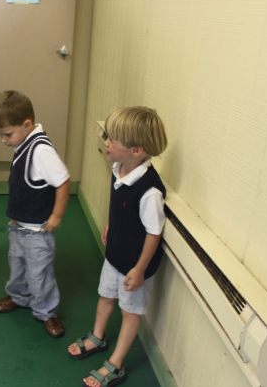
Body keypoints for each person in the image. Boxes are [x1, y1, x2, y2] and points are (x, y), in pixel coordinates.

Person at [67, 106, 168, 387]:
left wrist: (139, 269)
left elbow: (154, 233)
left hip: (135, 265)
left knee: (130, 312)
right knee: (105, 295)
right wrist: (111, 224)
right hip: (114, 255)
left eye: (113, 139)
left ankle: (116, 363)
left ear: (136, 150)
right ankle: (97, 337)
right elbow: (119, 204)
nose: (107, 142)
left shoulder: (149, 191)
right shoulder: (118, 168)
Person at [0, 90, 70, 338]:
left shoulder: (41, 151)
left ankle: (46, 312)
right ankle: (19, 297)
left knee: (39, 273)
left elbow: (62, 181)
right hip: (19, 226)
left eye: (7, 134)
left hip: (37, 231)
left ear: (26, 124)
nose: (4, 141)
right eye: (0, 136)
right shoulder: (23, 143)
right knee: (17, 265)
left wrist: (56, 215)